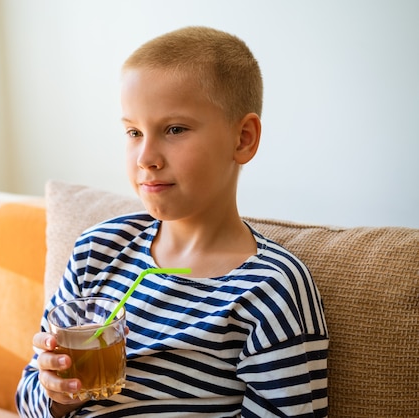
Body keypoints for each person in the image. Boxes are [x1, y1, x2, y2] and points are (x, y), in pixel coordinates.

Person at [16, 26, 328, 417]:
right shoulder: (96, 251)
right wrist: (57, 393)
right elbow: (29, 396)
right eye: (133, 131)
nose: (145, 157)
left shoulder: (270, 289)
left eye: (174, 129)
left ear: (243, 139)